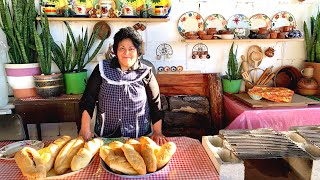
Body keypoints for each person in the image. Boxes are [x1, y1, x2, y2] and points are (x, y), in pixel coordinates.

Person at [79, 27, 168, 145]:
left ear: (138, 52)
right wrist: (85, 128)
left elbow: (155, 104)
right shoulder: (102, 69)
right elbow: (88, 99)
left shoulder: (146, 73)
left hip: (138, 138)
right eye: (122, 48)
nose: (126, 53)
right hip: (105, 138)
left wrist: (157, 132)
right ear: (115, 51)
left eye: (131, 49)